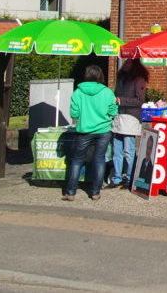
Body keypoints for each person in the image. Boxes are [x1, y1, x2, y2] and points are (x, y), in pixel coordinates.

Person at [63, 65, 118, 201]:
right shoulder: (107, 92)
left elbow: (73, 113)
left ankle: (70, 192)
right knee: (99, 159)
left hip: (84, 131)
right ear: (100, 76)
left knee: (77, 160)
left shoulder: (78, 92)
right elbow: (113, 111)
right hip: (103, 130)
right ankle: (95, 192)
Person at [107, 59, 148, 189]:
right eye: (125, 62)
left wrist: (121, 100)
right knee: (117, 150)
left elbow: (139, 100)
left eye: (128, 62)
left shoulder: (138, 79)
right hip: (119, 116)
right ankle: (117, 178)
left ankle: (130, 177)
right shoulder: (121, 78)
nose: (125, 63)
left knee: (129, 150)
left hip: (131, 117)